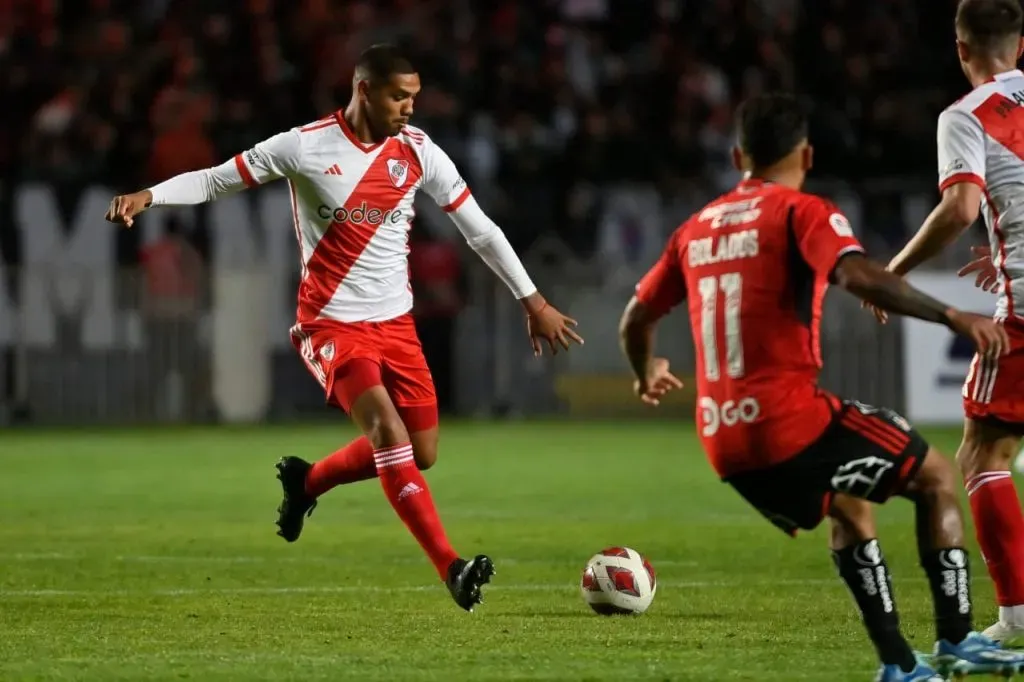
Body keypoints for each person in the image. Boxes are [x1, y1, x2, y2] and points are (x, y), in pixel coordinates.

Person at [104, 44, 583, 612]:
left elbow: (479, 229)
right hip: (331, 324)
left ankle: (307, 482)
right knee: (388, 432)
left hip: (397, 326)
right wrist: (149, 195)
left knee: (422, 451)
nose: (409, 108)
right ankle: (452, 568)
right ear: (364, 90)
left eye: (414, 97)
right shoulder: (304, 146)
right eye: (398, 96)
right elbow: (215, 180)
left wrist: (533, 301)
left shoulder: (419, 151)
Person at [619, 92, 1024, 681]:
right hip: (788, 419)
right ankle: (958, 641)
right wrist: (953, 316)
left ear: (737, 156)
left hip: (721, 439)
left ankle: (899, 666)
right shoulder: (802, 211)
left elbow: (636, 318)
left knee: (850, 507)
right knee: (938, 475)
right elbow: (856, 275)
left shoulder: (694, 228)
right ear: (806, 155)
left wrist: (646, 370)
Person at [867, 0, 1024, 646]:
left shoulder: (965, 115)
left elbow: (960, 208)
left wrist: (894, 270)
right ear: (1020, 46)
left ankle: (1017, 617)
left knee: (983, 453)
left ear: (961, 49)